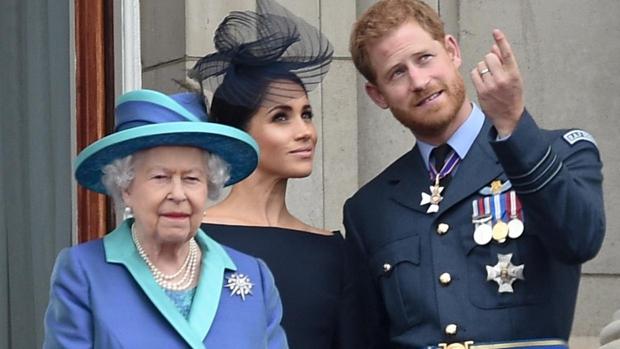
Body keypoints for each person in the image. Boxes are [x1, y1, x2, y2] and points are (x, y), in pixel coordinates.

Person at [344, 0, 606, 348]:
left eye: (424, 58)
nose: (419, 81)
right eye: (397, 72)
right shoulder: (369, 208)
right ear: (377, 95)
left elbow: (580, 239)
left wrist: (512, 125)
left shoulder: (558, 151)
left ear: (451, 51)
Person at [43, 89, 288, 348]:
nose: (178, 194)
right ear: (126, 188)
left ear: (210, 186)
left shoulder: (254, 275)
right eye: (160, 177)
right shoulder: (84, 272)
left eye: (192, 178)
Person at [187, 0, 364, 348]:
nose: (305, 132)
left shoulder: (333, 251)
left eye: (307, 114)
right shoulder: (192, 237)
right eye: (281, 117)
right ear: (240, 134)